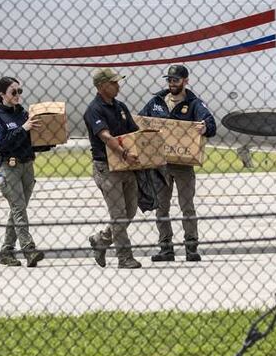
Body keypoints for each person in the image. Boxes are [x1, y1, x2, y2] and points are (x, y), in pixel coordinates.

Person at [139, 64, 217, 263]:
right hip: (161, 164)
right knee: (161, 208)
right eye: (170, 80)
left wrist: (204, 126)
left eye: (176, 80)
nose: (172, 83)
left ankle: (191, 247)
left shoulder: (194, 104)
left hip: (183, 164)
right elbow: (139, 121)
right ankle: (166, 248)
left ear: (185, 81)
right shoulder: (156, 102)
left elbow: (211, 124)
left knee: (187, 207)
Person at [83, 68, 143, 269]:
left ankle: (101, 240)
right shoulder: (94, 110)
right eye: (113, 83)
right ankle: (124, 257)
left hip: (126, 166)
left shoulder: (121, 107)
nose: (118, 85)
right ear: (101, 87)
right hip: (107, 168)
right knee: (118, 214)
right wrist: (125, 153)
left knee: (131, 211)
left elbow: (134, 132)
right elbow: (105, 136)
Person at [0, 76, 45, 267]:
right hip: (9, 167)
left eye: (19, 91)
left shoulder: (24, 114)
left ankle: (6, 251)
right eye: (13, 92)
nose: (17, 95)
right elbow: (2, 144)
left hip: (27, 165)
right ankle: (29, 249)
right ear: (2, 94)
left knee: (17, 210)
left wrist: (53, 138)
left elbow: (33, 142)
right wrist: (23, 129)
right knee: (19, 208)